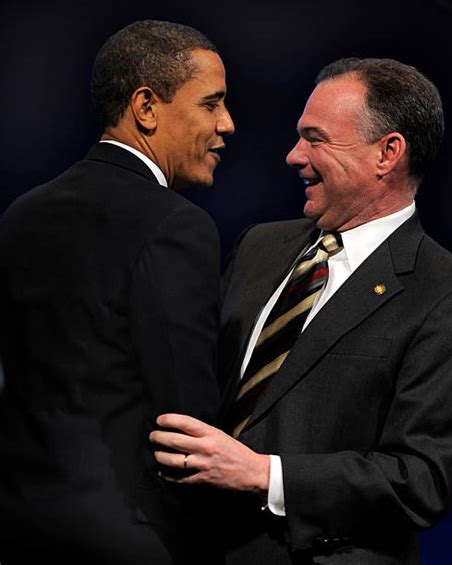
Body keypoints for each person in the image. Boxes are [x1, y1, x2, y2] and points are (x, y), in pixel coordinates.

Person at [151, 58, 452, 564]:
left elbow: (422, 480)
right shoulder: (259, 246)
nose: (294, 155)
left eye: (315, 139)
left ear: (387, 153)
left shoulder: (448, 294)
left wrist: (264, 475)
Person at [0, 20, 234, 564]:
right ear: (146, 107)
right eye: (211, 103)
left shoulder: (21, 213)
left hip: (19, 527)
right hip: (134, 537)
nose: (227, 123)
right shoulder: (175, 225)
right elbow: (187, 421)